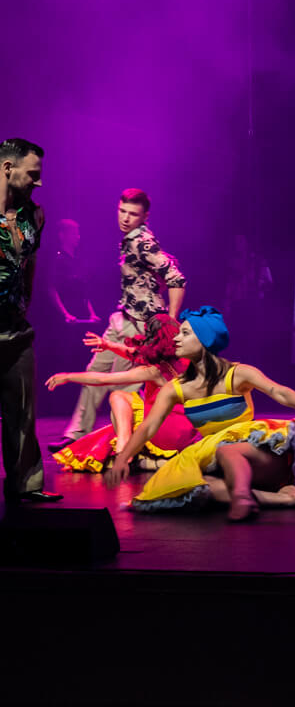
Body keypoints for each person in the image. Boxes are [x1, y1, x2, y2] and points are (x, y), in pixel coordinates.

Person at [108, 308, 295, 521]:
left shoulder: (238, 373)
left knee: (228, 451)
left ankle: (243, 498)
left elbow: (278, 391)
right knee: (197, 485)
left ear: (204, 340)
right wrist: (122, 458)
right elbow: (148, 426)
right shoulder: (176, 388)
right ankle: (284, 500)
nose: (176, 339)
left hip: (259, 457)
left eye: (185, 333)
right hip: (220, 461)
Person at [58, 188, 187, 452]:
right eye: (122, 211)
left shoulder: (143, 242)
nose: (125, 218)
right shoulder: (130, 239)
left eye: (133, 214)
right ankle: (77, 433)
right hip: (122, 317)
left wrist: (171, 320)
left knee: (125, 384)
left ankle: (127, 443)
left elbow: (176, 277)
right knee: (95, 371)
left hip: (142, 324)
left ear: (145, 216)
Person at [47, 313, 199, 472]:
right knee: (127, 411)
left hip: (166, 432)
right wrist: (108, 345)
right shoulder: (189, 360)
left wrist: (68, 376)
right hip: (186, 431)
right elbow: (133, 353)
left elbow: (103, 379)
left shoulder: (154, 371)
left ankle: (123, 449)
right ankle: (137, 454)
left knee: (118, 397)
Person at [0, 137, 58, 503]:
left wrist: (25, 304)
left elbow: (31, 263)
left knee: (22, 410)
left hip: (16, 330)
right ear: (8, 168)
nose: (38, 182)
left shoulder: (34, 214)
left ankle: (26, 484)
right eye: (32, 175)